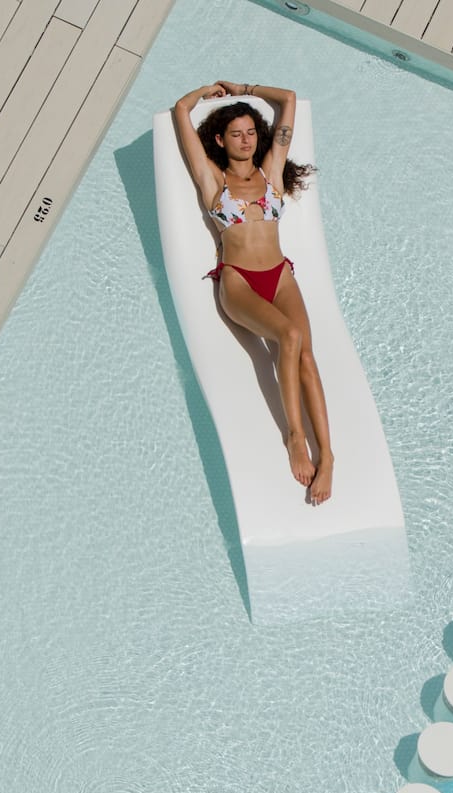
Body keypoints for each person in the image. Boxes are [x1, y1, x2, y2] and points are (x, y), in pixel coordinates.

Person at [173, 80, 334, 506]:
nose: (245, 140)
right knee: (290, 338)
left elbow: (289, 100)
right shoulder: (213, 178)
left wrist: (244, 87)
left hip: (280, 276)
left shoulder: (271, 170)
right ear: (221, 140)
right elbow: (180, 112)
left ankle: (330, 457)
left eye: (250, 132)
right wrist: (206, 92)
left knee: (307, 361)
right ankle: (296, 438)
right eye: (236, 134)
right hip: (239, 280)